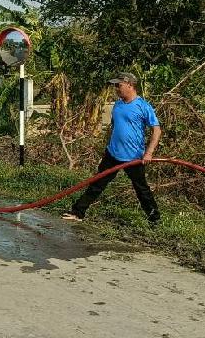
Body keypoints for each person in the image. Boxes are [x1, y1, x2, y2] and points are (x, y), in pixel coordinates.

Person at [63, 72, 161, 225]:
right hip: (113, 154)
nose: (116, 89)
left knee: (142, 190)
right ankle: (78, 212)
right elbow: (115, 127)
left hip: (134, 157)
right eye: (115, 86)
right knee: (97, 184)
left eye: (118, 85)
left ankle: (154, 220)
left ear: (130, 85)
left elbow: (157, 130)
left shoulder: (143, 106)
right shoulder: (118, 105)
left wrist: (149, 153)